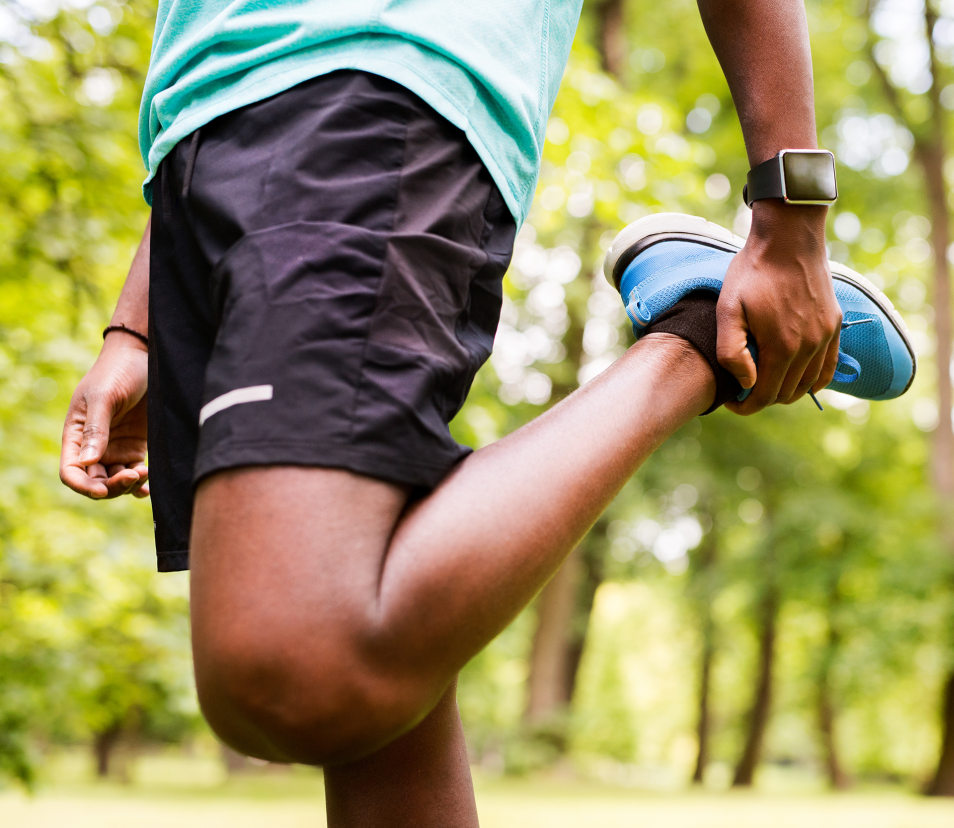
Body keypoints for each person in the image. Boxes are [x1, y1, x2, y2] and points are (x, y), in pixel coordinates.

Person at [58, 1, 910, 824]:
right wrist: (140, 319)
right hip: (203, 146)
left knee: (294, 671)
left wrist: (790, 212)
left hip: (373, 79)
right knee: (388, 716)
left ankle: (691, 337)